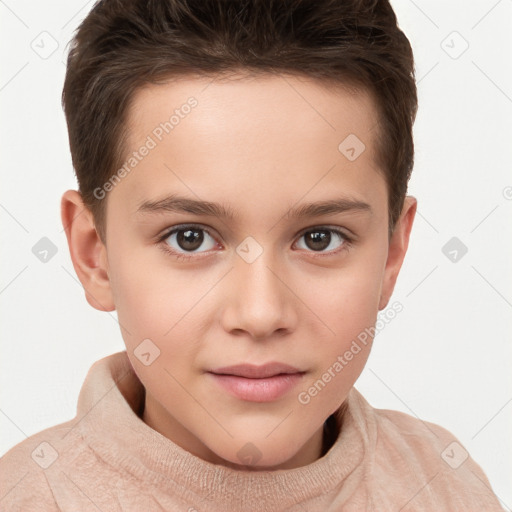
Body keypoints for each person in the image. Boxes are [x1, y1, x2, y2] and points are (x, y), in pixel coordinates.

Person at [0, 0, 504, 510]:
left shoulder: (446, 484)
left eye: (319, 238)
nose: (261, 314)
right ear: (95, 256)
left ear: (393, 253)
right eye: (190, 238)